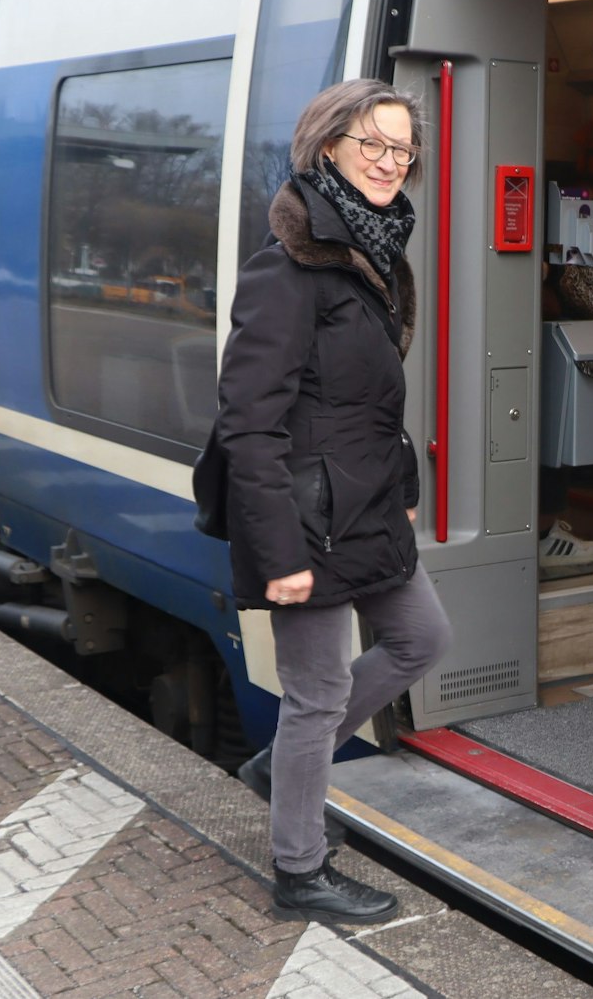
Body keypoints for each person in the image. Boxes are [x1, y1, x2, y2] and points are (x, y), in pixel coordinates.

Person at [199, 79, 452, 924]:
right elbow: (247, 420)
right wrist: (280, 555)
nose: (389, 161)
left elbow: (370, 400)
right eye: (371, 143)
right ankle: (299, 869)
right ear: (328, 148)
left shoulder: (372, 253)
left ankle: (282, 768)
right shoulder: (289, 265)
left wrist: (405, 490)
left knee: (423, 636)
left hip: (367, 506)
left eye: (401, 148)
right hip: (305, 518)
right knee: (315, 694)